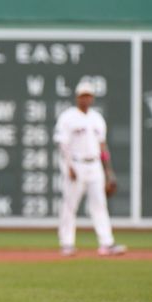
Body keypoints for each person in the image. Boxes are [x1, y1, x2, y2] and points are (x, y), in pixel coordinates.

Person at [54, 81, 126, 257]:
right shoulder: (68, 117)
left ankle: (106, 243)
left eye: (88, 95)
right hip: (76, 164)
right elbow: (62, 145)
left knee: (99, 205)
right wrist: (69, 166)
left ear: (92, 98)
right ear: (77, 97)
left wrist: (109, 172)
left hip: (94, 166)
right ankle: (67, 243)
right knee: (70, 205)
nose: (86, 99)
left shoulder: (97, 118)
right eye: (82, 95)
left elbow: (102, 146)